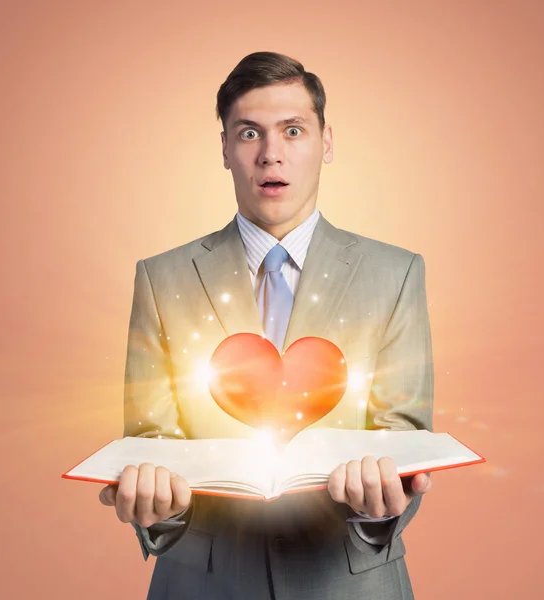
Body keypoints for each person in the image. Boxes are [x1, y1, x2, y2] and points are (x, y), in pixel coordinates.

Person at [99, 51, 434, 600]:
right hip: (202, 584)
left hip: (348, 583)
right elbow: (152, 443)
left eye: (293, 130)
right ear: (226, 149)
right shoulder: (160, 278)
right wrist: (154, 506)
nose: (271, 154)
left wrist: (380, 504)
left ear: (326, 143)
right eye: (249, 133)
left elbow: (403, 433)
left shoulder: (395, 273)